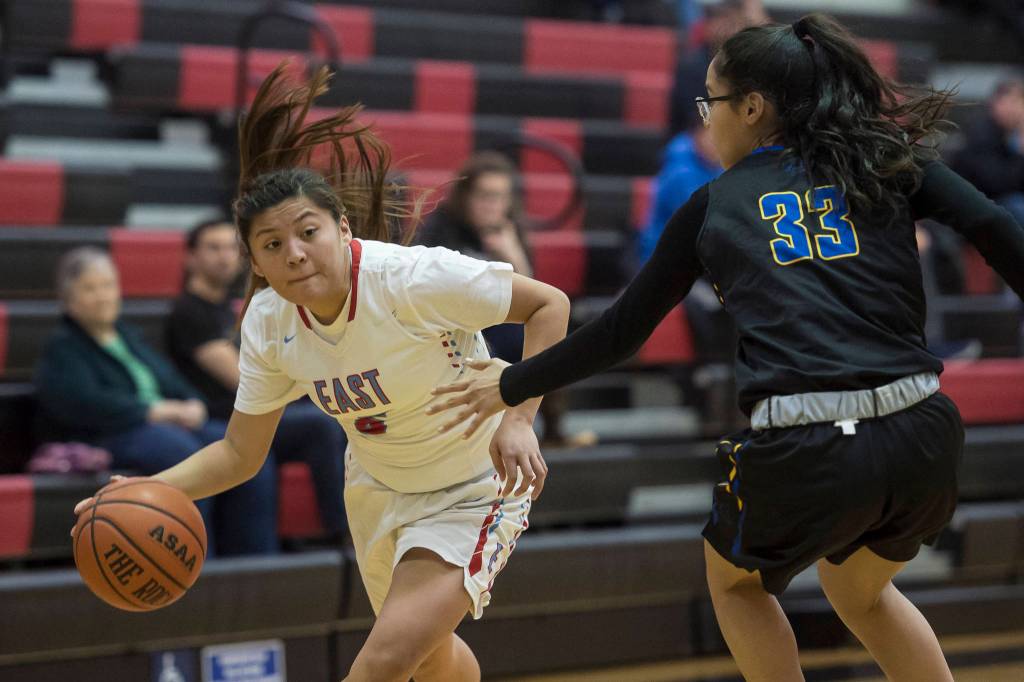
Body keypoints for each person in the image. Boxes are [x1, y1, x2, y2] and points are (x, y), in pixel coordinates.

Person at [430, 14, 1024, 681]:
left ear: (752, 107)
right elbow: (996, 224)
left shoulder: (714, 203)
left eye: (709, 102)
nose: (706, 119)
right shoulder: (886, 160)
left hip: (812, 442)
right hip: (924, 434)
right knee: (863, 592)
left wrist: (510, 383)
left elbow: (620, 333)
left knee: (738, 587)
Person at [73, 63, 569, 682]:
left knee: (383, 661)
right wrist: (143, 492)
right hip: (378, 488)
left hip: (473, 481)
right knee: (430, 659)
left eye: (307, 233)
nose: (295, 254)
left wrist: (520, 416)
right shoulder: (268, 322)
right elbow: (237, 454)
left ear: (341, 227)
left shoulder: (410, 279)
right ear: (254, 259)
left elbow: (550, 305)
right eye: (272, 246)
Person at [39, 247, 277, 556]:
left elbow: (170, 379)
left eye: (108, 285)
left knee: (240, 445)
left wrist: (192, 402)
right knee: (181, 451)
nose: (103, 295)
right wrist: (153, 411)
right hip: (111, 433)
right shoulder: (62, 347)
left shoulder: (127, 336)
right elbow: (84, 402)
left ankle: (253, 560)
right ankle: (198, 562)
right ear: (68, 298)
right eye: (90, 288)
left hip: (161, 428)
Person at [167, 218, 349, 539]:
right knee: (321, 424)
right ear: (190, 257)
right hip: (223, 418)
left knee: (343, 414)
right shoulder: (189, 312)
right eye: (213, 248)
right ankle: (343, 531)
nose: (224, 256)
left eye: (229, 248)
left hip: (262, 408)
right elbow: (242, 379)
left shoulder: (231, 307)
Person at [418, 151, 596, 448]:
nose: (492, 205)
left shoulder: (510, 231)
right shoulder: (441, 228)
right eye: (484, 196)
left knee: (550, 337)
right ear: (465, 196)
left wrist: (511, 254)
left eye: (500, 197)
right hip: (456, 325)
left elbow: (536, 296)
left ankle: (551, 430)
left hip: (500, 320)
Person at [953, 77, 1024, 226]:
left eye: (1019, 103)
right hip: (980, 202)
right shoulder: (981, 132)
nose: (1015, 110)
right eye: (1010, 102)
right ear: (995, 103)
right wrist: (1020, 151)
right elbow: (997, 184)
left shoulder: (1013, 132)